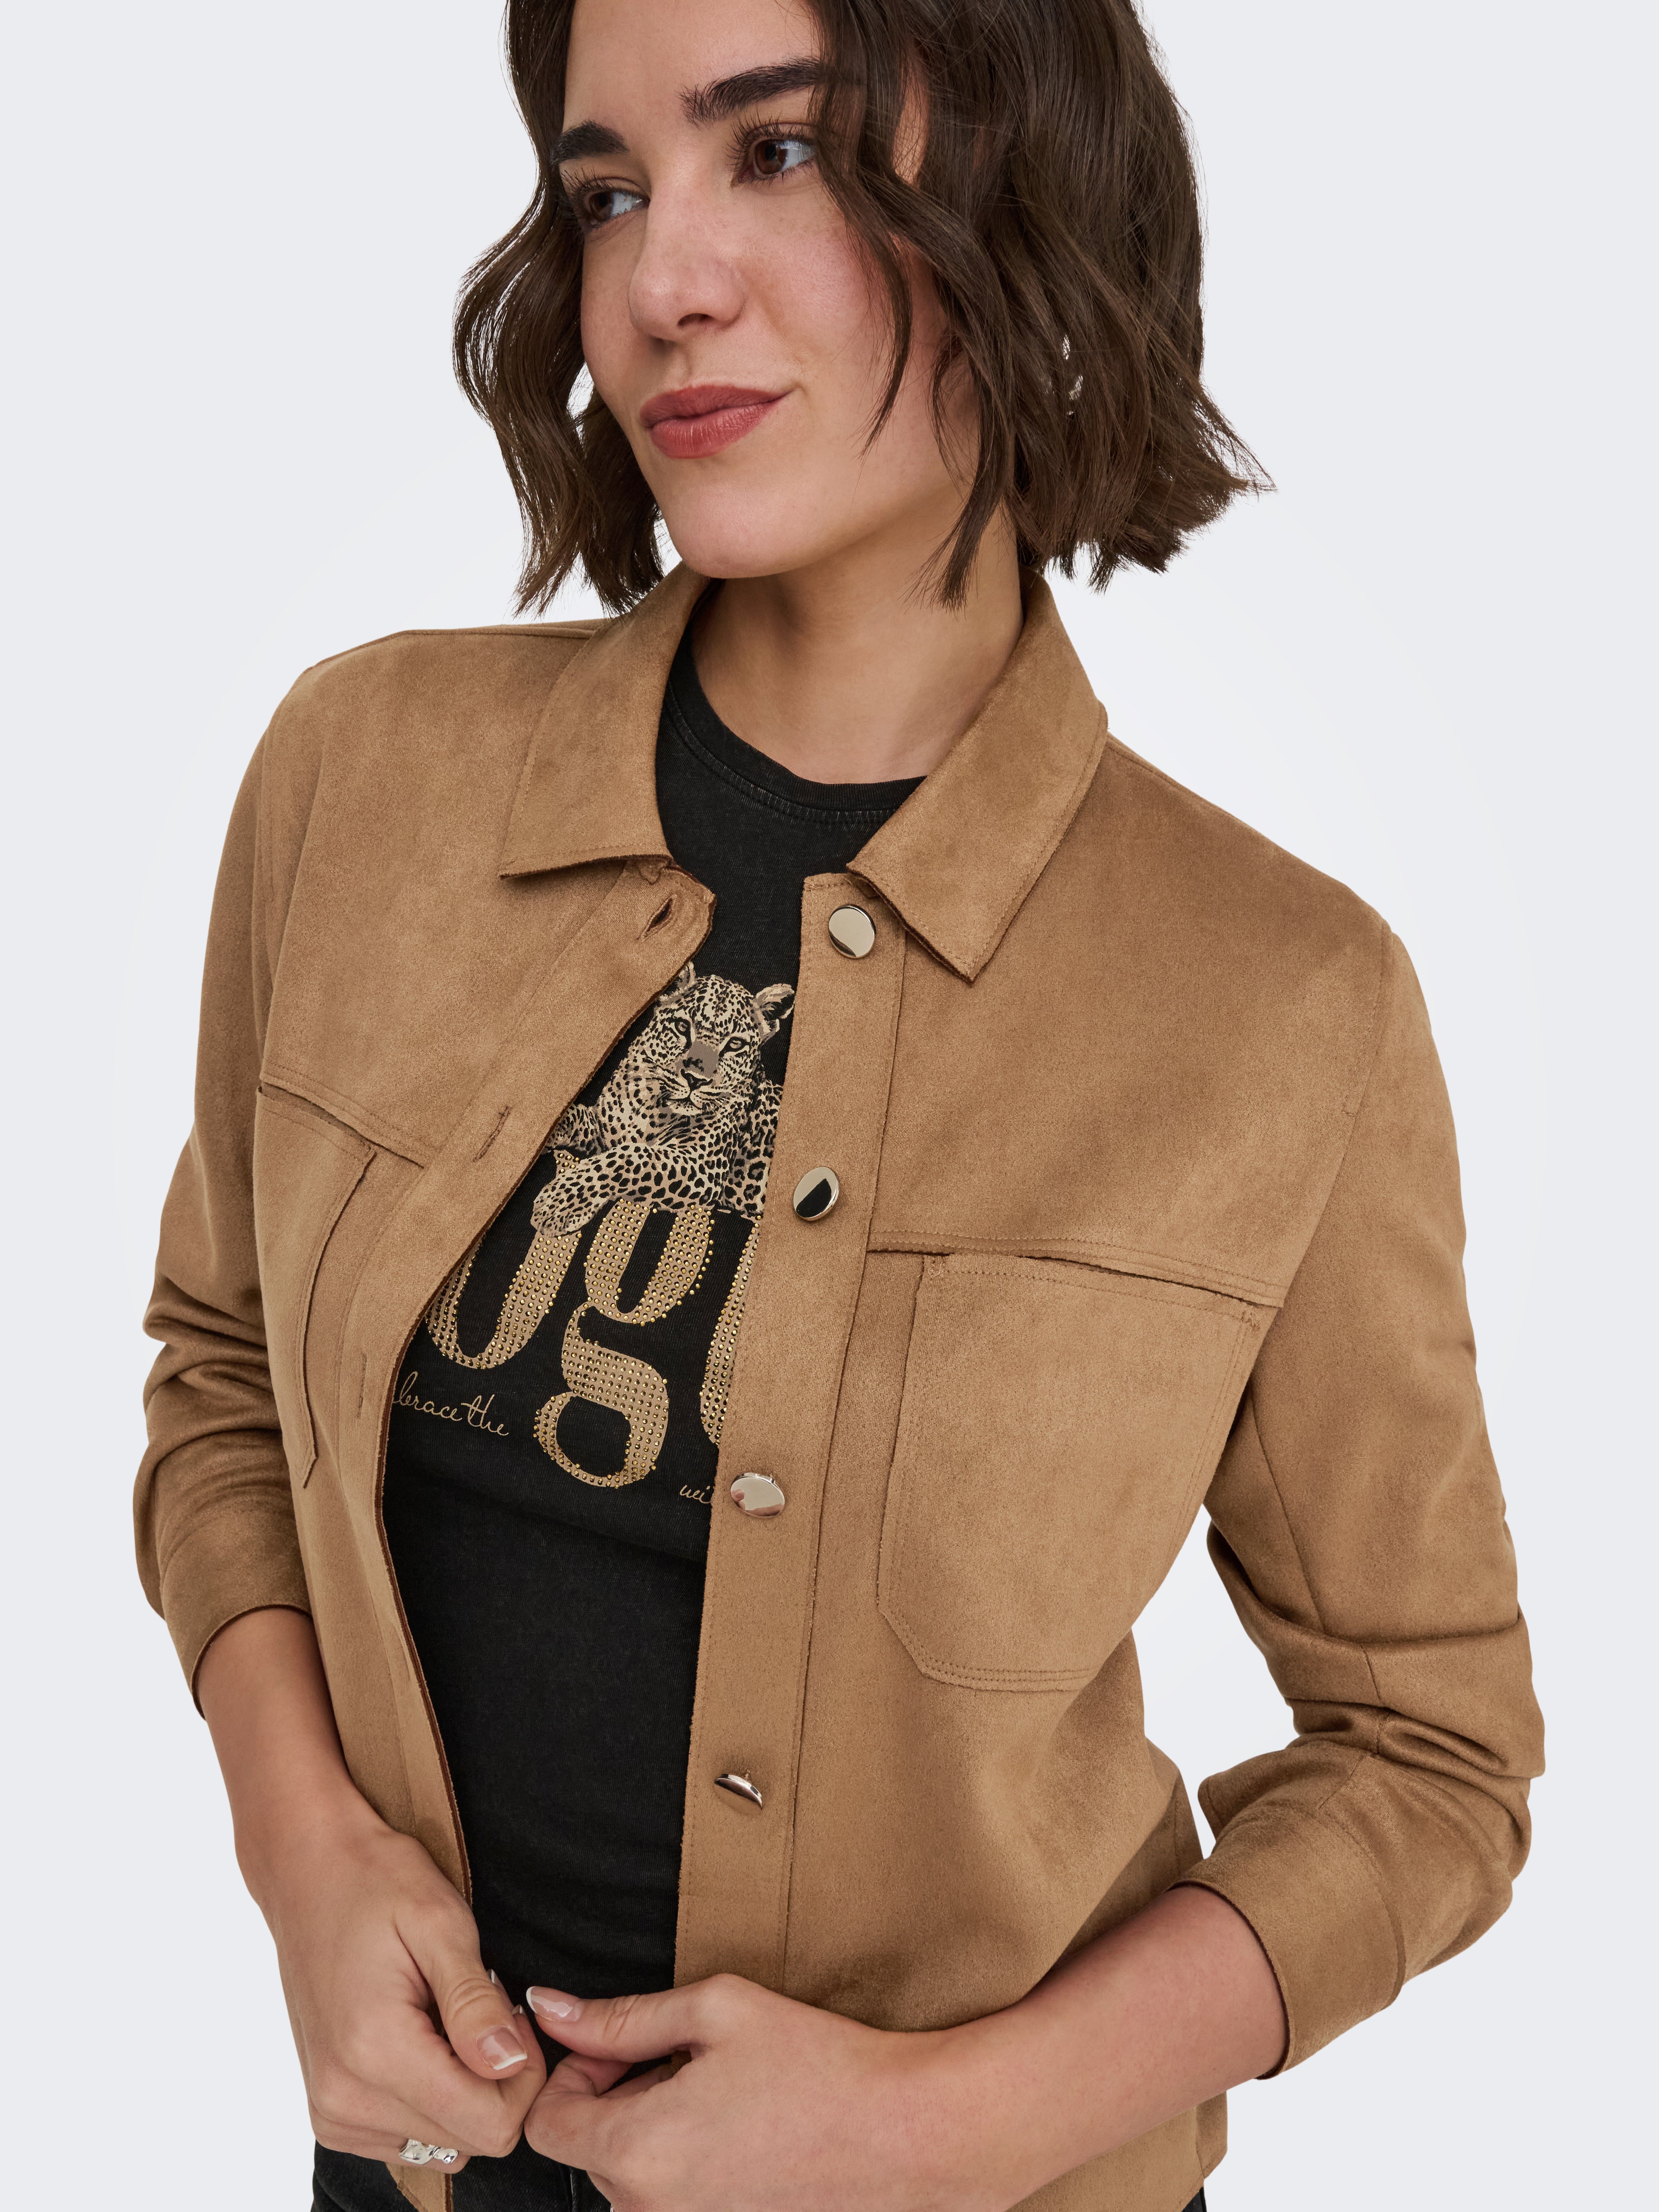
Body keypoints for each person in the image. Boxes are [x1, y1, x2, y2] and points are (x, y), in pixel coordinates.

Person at [135, 0, 1544, 2206]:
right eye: (609, 190)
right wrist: (300, 1855)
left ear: (1023, 188)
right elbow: (223, 1379)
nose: (660, 281)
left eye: (775, 153)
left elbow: (1430, 1759)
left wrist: (936, 2128)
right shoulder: (365, 778)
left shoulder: (1288, 1007)